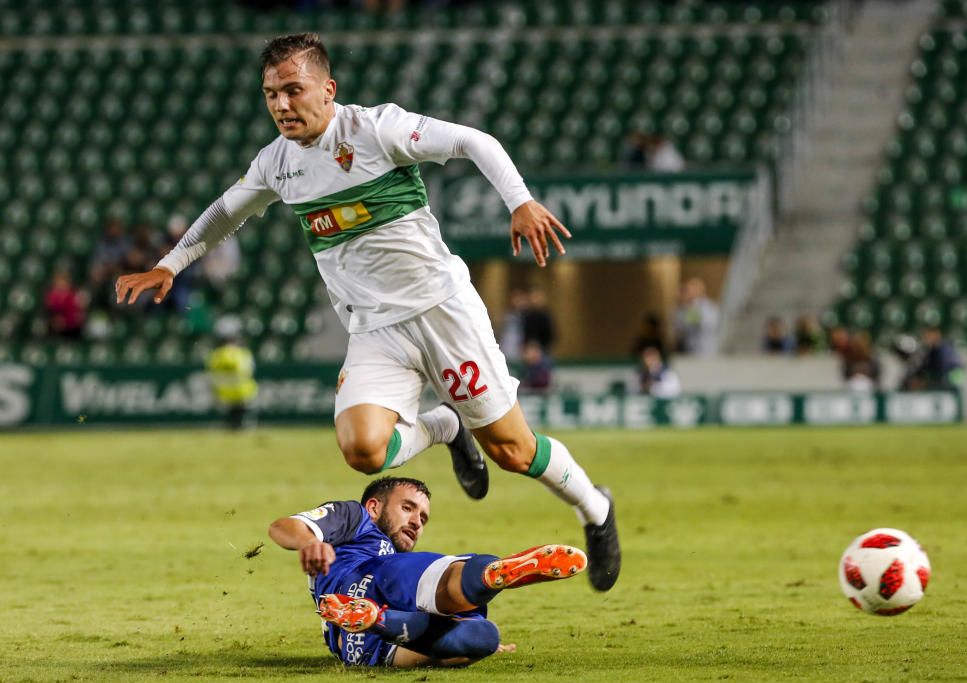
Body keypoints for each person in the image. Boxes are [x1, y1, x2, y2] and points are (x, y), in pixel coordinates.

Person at [115, 33, 620, 591]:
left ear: (327, 90)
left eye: (293, 90)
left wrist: (520, 200)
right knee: (362, 451)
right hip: (376, 330)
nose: (281, 105)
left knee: (512, 452)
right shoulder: (275, 164)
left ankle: (595, 509)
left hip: (441, 311)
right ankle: (444, 424)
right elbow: (223, 212)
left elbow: (475, 141)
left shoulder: (377, 130)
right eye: (270, 94)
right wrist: (171, 264)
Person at [268, 476, 587, 668]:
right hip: (369, 578)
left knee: (484, 639)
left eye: (423, 518)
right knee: (449, 578)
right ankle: (489, 575)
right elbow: (283, 527)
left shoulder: (394, 554)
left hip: (362, 646)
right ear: (375, 507)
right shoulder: (357, 520)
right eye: (407, 508)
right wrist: (309, 542)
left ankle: (380, 618)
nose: (416, 521)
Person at [206, 318, 259, 430]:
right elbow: (249, 370)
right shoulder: (242, 353)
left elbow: (211, 374)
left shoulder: (215, 355)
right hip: (243, 393)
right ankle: (241, 423)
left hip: (223, 394)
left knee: (232, 414)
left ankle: (231, 423)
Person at [899, 326, 965, 391]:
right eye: (926, 337)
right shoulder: (931, 351)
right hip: (946, 380)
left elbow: (944, 369)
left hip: (951, 379)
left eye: (929, 336)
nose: (927, 339)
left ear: (937, 336)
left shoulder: (943, 350)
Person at [673, 277, 719, 356]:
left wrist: (687, 306)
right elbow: (678, 328)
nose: (688, 294)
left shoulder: (707, 306)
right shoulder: (686, 308)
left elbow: (693, 321)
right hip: (692, 349)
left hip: (705, 349)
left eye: (689, 291)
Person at [44, 269, 86, 340]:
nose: (60, 284)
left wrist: (65, 322)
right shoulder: (50, 295)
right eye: (58, 281)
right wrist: (53, 321)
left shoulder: (74, 295)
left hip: (71, 331)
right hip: (53, 330)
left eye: (63, 281)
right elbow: (47, 312)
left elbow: (79, 315)